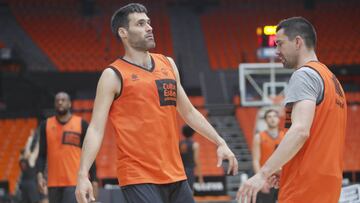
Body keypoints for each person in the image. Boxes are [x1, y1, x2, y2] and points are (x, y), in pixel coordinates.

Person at [75, 3, 238, 203]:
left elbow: (189, 112)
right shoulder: (113, 75)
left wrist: (220, 142)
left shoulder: (168, 64)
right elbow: (96, 129)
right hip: (138, 176)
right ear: (123, 32)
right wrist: (83, 175)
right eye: (141, 24)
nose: (149, 27)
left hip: (176, 174)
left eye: (149, 23)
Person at [237, 16, 347, 203]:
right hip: (327, 184)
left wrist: (263, 173)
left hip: (304, 186)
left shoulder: (304, 75)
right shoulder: (331, 80)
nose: (276, 50)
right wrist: (285, 167)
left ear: (298, 42)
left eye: (280, 44)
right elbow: (317, 137)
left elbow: (300, 131)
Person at [36, 92, 98, 203]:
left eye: (63, 100)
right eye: (57, 100)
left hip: (74, 182)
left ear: (69, 104)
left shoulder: (81, 124)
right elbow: (41, 154)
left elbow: (89, 153)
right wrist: (40, 174)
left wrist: (94, 179)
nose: (60, 102)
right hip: (53, 183)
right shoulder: (45, 125)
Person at [251, 109, 284, 203]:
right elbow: (255, 160)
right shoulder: (259, 137)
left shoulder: (285, 136)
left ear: (278, 119)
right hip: (266, 178)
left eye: (274, 116)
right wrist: (261, 179)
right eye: (269, 117)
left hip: (281, 177)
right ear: (265, 120)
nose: (272, 119)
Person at [179, 125, 204, 191]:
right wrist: (200, 177)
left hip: (180, 170)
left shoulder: (179, 144)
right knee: (190, 192)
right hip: (189, 171)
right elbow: (196, 160)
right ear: (193, 133)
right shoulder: (195, 145)